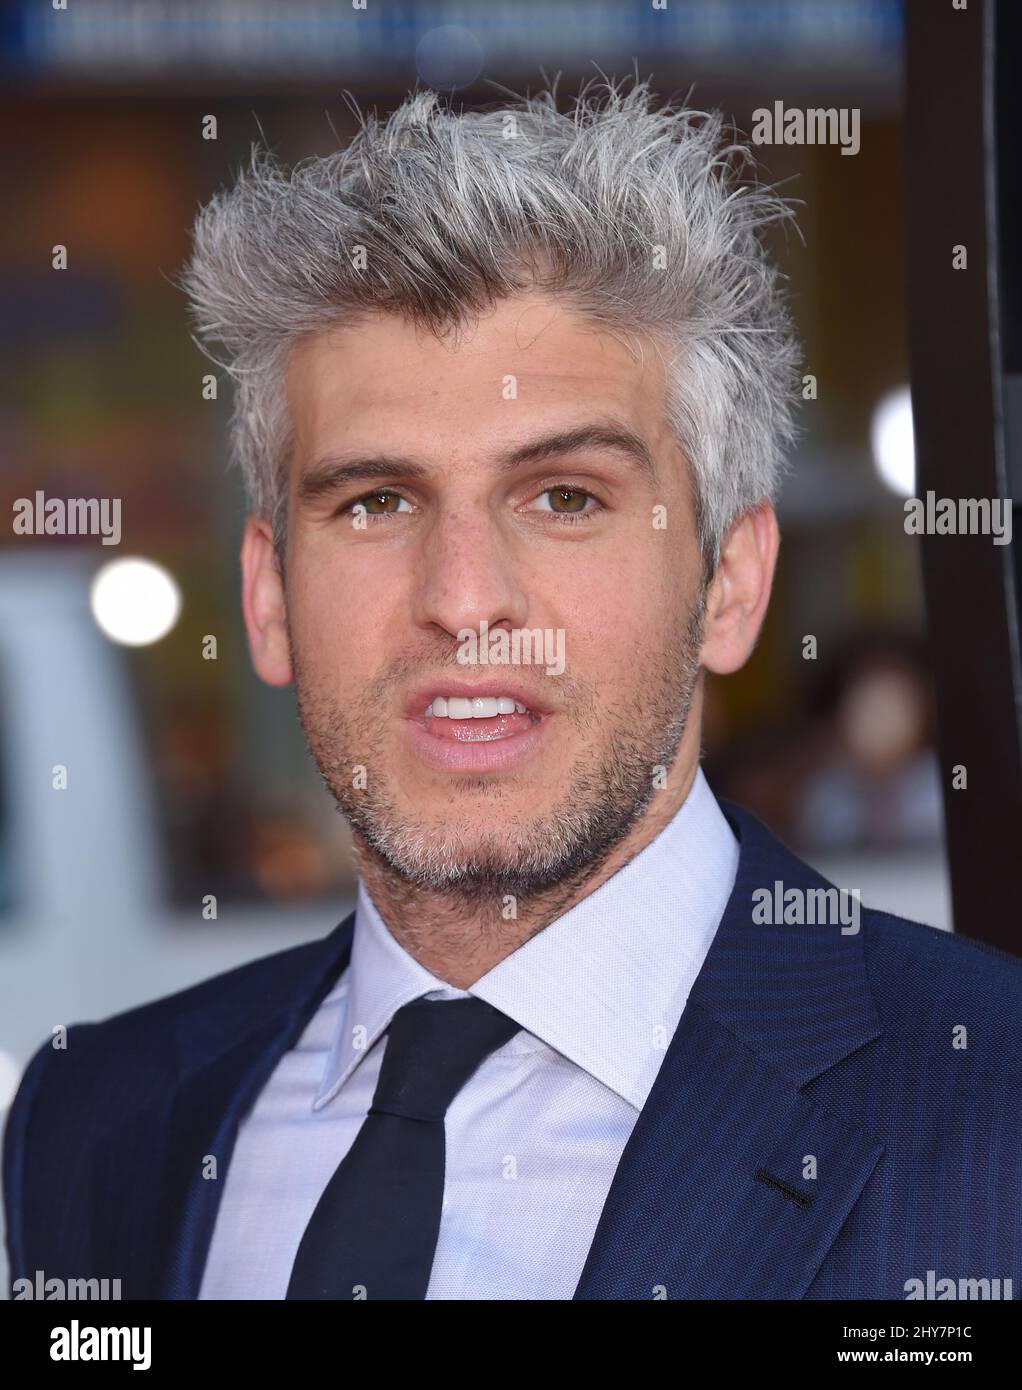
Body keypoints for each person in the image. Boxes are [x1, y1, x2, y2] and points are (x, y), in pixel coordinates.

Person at [4, 80, 1021, 1302]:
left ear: (730, 584)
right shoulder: (94, 1120)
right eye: (375, 502)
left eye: (565, 498)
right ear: (268, 599)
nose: (464, 598)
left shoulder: (989, 1102)